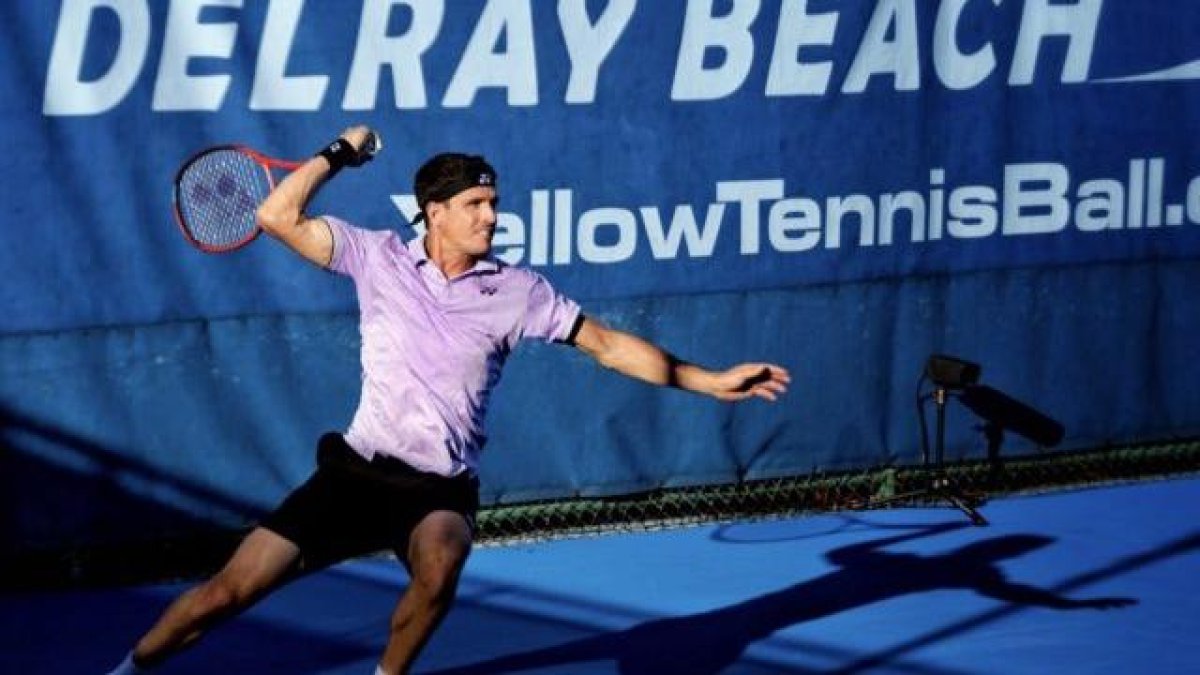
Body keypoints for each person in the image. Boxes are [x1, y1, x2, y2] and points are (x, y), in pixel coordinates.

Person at [107, 125, 790, 674]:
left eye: (493, 203)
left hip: (438, 487)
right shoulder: (375, 257)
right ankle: (131, 668)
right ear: (434, 213)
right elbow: (274, 214)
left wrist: (711, 380)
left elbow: (608, 345)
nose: (490, 216)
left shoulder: (518, 289)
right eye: (475, 205)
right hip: (353, 473)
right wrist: (338, 153)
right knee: (223, 596)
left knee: (441, 560)